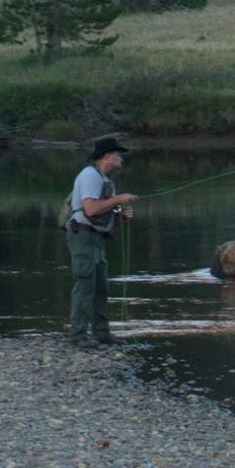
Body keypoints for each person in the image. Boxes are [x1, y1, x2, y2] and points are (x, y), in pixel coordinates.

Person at [64, 137, 137, 349]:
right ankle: (77, 336)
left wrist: (121, 213)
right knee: (85, 284)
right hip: (82, 235)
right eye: (117, 153)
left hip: (96, 238)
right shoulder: (89, 176)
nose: (120, 157)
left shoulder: (107, 182)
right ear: (107, 156)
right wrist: (119, 200)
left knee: (100, 287)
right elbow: (91, 209)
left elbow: (106, 209)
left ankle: (102, 334)